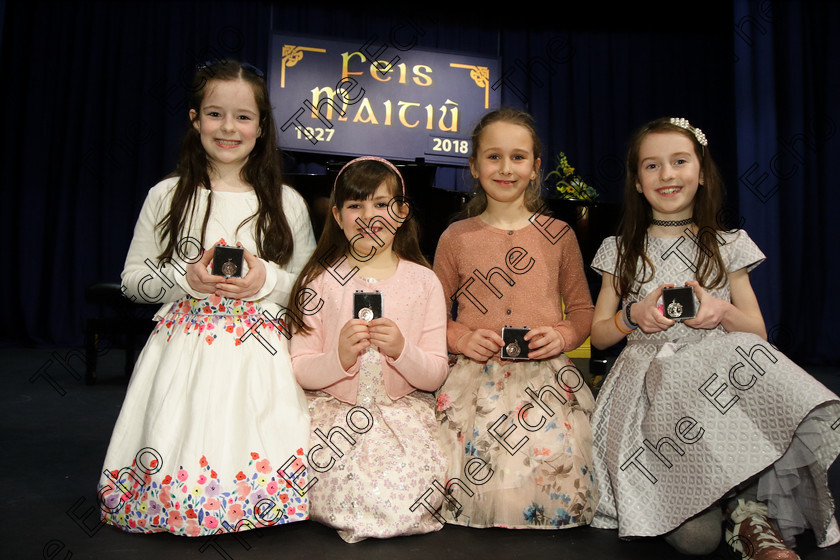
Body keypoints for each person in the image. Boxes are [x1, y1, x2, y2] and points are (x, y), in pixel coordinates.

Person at [589, 117, 840, 558]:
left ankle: (746, 511)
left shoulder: (728, 244)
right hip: (647, 398)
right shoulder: (620, 248)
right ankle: (720, 507)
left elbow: (758, 334)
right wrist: (636, 315)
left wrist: (721, 310)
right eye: (652, 166)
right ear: (637, 181)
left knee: (747, 352)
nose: (667, 174)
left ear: (701, 173)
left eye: (680, 161)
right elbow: (600, 334)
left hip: (717, 389)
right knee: (696, 541)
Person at [97, 60, 316, 537]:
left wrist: (266, 281)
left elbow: (310, 291)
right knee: (181, 427)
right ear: (195, 119)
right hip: (184, 349)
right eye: (215, 114)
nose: (229, 128)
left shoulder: (287, 202)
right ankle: (173, 503)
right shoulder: (167, 195)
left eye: (243, 116)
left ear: (261, 127)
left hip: (261, 352)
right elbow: (134, 280)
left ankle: (256, 504)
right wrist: (186, 279)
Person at [432, 108, 598, 529]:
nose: (506, 168)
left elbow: (582, 310)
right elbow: (432, 313)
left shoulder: (559, 234)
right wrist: (460, 338)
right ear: (473, 165)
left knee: (550, 465)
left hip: (545, 383)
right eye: (493, 157)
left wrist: (562, 336)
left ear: (536, 166)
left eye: (519, 157)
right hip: (475, 382)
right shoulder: (456, 237)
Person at [288, 156, 449, 543]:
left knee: (412, 492)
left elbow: (436, 373)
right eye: (355, 205)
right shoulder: (319, 281)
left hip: (401, 418)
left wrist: (402, 351)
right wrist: (339, 358)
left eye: (381, 204)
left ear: (401, 213)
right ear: (337, 216)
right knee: (333, 477)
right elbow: (299, 367)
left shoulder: (424, 282)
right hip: (335, 416)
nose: (368, 216)